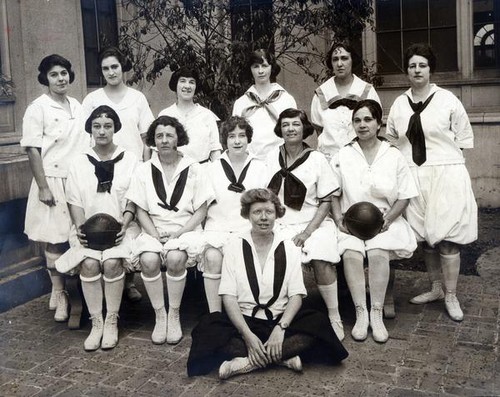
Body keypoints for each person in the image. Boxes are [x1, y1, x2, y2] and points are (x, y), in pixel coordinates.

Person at [187, 188, 348, 378]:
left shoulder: (289, 246)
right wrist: (247, 335)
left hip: (280, 320)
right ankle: (281, 357)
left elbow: (296, 295)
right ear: (247, 214)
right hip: (244, 321)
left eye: (269, 212)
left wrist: (280, 329)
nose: (263, 217)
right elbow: (228, 297)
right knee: (207, 326)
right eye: (257, 212)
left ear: (277, 214)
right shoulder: (234, 244)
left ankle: (246, 362)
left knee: (318, 323)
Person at [386, 43, 477, 322]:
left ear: (430, 69)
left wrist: (444, 166)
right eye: (412, 65)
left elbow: (462, 140)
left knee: (448, 239)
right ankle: (435, 288)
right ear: (407, 70)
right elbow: (392, 141)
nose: (417, 70)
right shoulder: (400, 104)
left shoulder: (448, 100)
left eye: (422, 65)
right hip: (414, 176)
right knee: (426, 238)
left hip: (446, 174)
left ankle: (451, 294)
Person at [330, 100, 418, 343]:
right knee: (351, 253)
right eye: (357, 120)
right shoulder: (344, 154)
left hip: (385, 221)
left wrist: (388, 220)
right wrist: (338, 219)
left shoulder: (393, 155)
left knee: (378, 251)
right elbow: (333, 193)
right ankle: (361, 312)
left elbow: (405, 196)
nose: (362, 125)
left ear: (379, 123)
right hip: (350, 222)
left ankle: (376, 311)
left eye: (368, 119)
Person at [55, 106, 139, 351]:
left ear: (116, 129)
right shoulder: (79, 162)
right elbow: (74, 200)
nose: (102, 131)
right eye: (97, 126)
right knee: (90, 264)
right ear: (90, 129)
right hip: (87, 231)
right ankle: (97, 322)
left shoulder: (130, 159)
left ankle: (112, 319)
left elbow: (133, 197)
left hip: (123, 230)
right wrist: (81, 227)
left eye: (108, 126)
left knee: (112, 264)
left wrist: (126, 220)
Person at [126, 116, 211, 345]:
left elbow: (201, 211)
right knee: (149, 260)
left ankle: (174, 313)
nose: (164, 140)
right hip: (154, 229)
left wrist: (180, 233)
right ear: (153, 140)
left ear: (178, 139)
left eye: (169, 135)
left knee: (174, 258)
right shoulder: (144, 170)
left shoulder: (193, 168)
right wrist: (154, 234)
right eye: (159, 136)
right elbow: (140, 209)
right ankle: (159, 315)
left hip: (186, 230)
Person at [20, 54, 90, 322]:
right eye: (54, 75)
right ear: (45, 78)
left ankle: (80, 291)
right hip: (51, 179)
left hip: (77, 179)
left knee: (77, 234)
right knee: (55, 237)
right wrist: (43, 186)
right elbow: (33, 151)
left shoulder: (76, 105)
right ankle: (59, 292)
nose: (61, 78)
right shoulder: (37, 108)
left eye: (64, 73)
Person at [82, 46, 155, 302]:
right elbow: (85, 136)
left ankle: (127, 282)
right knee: (103, 220)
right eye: (105, 68)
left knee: (128, 222)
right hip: (100, 167)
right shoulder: (92, 99)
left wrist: (145, 169)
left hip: (130, 168)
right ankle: (103, 284)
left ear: (123, 68)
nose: (111, 72)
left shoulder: (137, 98)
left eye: (114, 66)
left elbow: (147, 137)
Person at [265, 108, 344, 340]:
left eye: (296, 124)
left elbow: (327, 201)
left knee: (321, 257)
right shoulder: (271, 157)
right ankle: (280, 316)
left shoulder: (317, 158)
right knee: (275, 256)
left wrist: (307, 232)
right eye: (286, 124)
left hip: (314, 222)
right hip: (280, 222)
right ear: (280, 129)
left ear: (304, 129)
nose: (290, 128)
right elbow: (265, 196)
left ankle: (334, 315)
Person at [201, 116, 268, 313]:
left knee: (246, 257)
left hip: (248, 230)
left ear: (249, 139)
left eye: (242, 136)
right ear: (225, 140)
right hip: (218, 229)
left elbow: (265, 204)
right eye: (232, 136)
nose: (237, 141)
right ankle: (215, 315)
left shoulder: (260, 167)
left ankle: (244, 312)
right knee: (212, 257)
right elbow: (204, 206)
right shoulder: (212, 169)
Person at [310, 41, 381, 160]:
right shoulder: (321, 93)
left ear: (352, 61)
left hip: (360, 158)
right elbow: (319, 130)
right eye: (335, 59)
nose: (339, 64)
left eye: (344, 58)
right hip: (329, 159)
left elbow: (375, 127)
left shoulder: (366, 91)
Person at [232, 49, 297, 160]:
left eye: (264, 66)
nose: (260, 71)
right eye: (256, 67)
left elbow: (294, 134)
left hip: (280, 161)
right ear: (250, 70)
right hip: (251, 162)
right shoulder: (241, 103)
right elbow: (236, 136)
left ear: (271, 67)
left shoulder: (286, 99)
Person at [158, 67, 222, 163]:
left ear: (195, 87)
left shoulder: (207, 115)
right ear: (176, 85)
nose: (187, 86)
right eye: (182, 81)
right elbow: (157, 152)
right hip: (173, 172)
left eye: (191, 82)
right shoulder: (165, 115)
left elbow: (215, 151)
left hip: (202, 172)